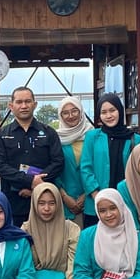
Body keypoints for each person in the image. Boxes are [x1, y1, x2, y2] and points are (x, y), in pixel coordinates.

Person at [0, 86, 64, 225]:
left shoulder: (49, 133)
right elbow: (1, 167)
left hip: (45, 203)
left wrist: (36, 185)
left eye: (27, 101)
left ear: (34, 104)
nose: (24, 106)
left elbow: (58, 162)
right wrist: (29, 181)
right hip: (14, 203)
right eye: (19, 102)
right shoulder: (2, 135)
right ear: (11, 106)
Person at [80, 93, 135, 223]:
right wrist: (97, 195)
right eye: (104, 112)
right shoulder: (92, 137)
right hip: (96, 204)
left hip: (126, 202)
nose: (109, 115)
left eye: (112, 110)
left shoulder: (134, 139)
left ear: (120, 111)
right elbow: (85, 168)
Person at [55, 96, 91, 225]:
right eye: (65, 113)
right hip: (64, 202)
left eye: (74, 111)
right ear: (60, 116)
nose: (70, 116)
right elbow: (53, 170)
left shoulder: (93, 135)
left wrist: (87, 194)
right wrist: (65, 197)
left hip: (91, 198)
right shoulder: (56, 139)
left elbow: (99, 167)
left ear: (81, 112)